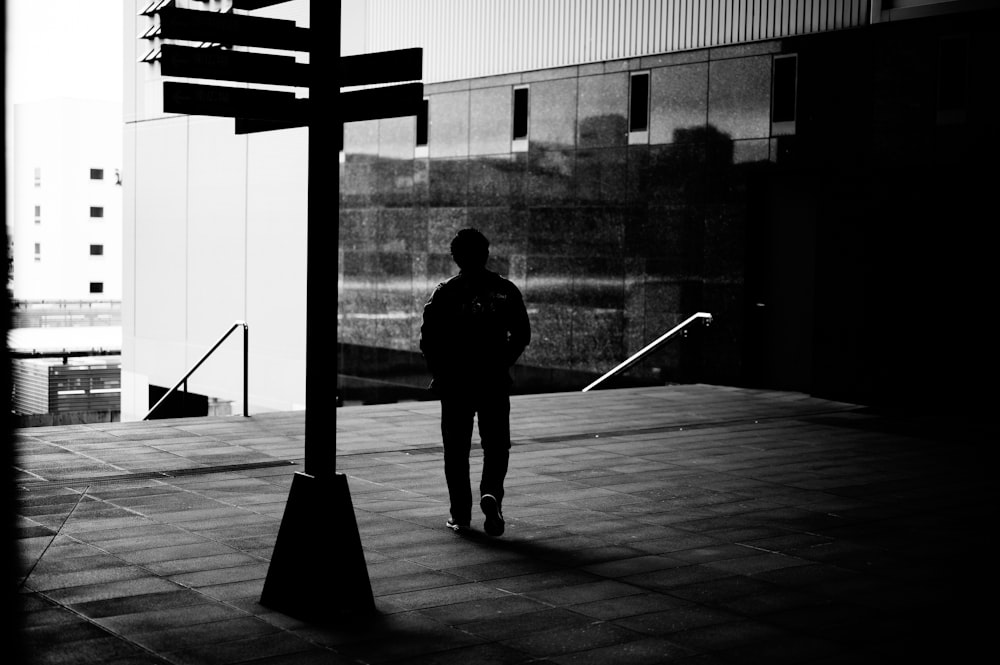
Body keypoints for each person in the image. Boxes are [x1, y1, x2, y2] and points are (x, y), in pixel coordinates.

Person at [420, 228, 531, 536]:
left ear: (456, 258)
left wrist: (440, 372)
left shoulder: (445, 293)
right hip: (493, 380)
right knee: (496, 445)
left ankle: (461, 515)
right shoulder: (505, 290)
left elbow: (428, 339)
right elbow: (522, 334)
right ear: (486, 254)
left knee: (456, 451)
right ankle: (492, 494)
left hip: (456, 382)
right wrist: (501, 361)